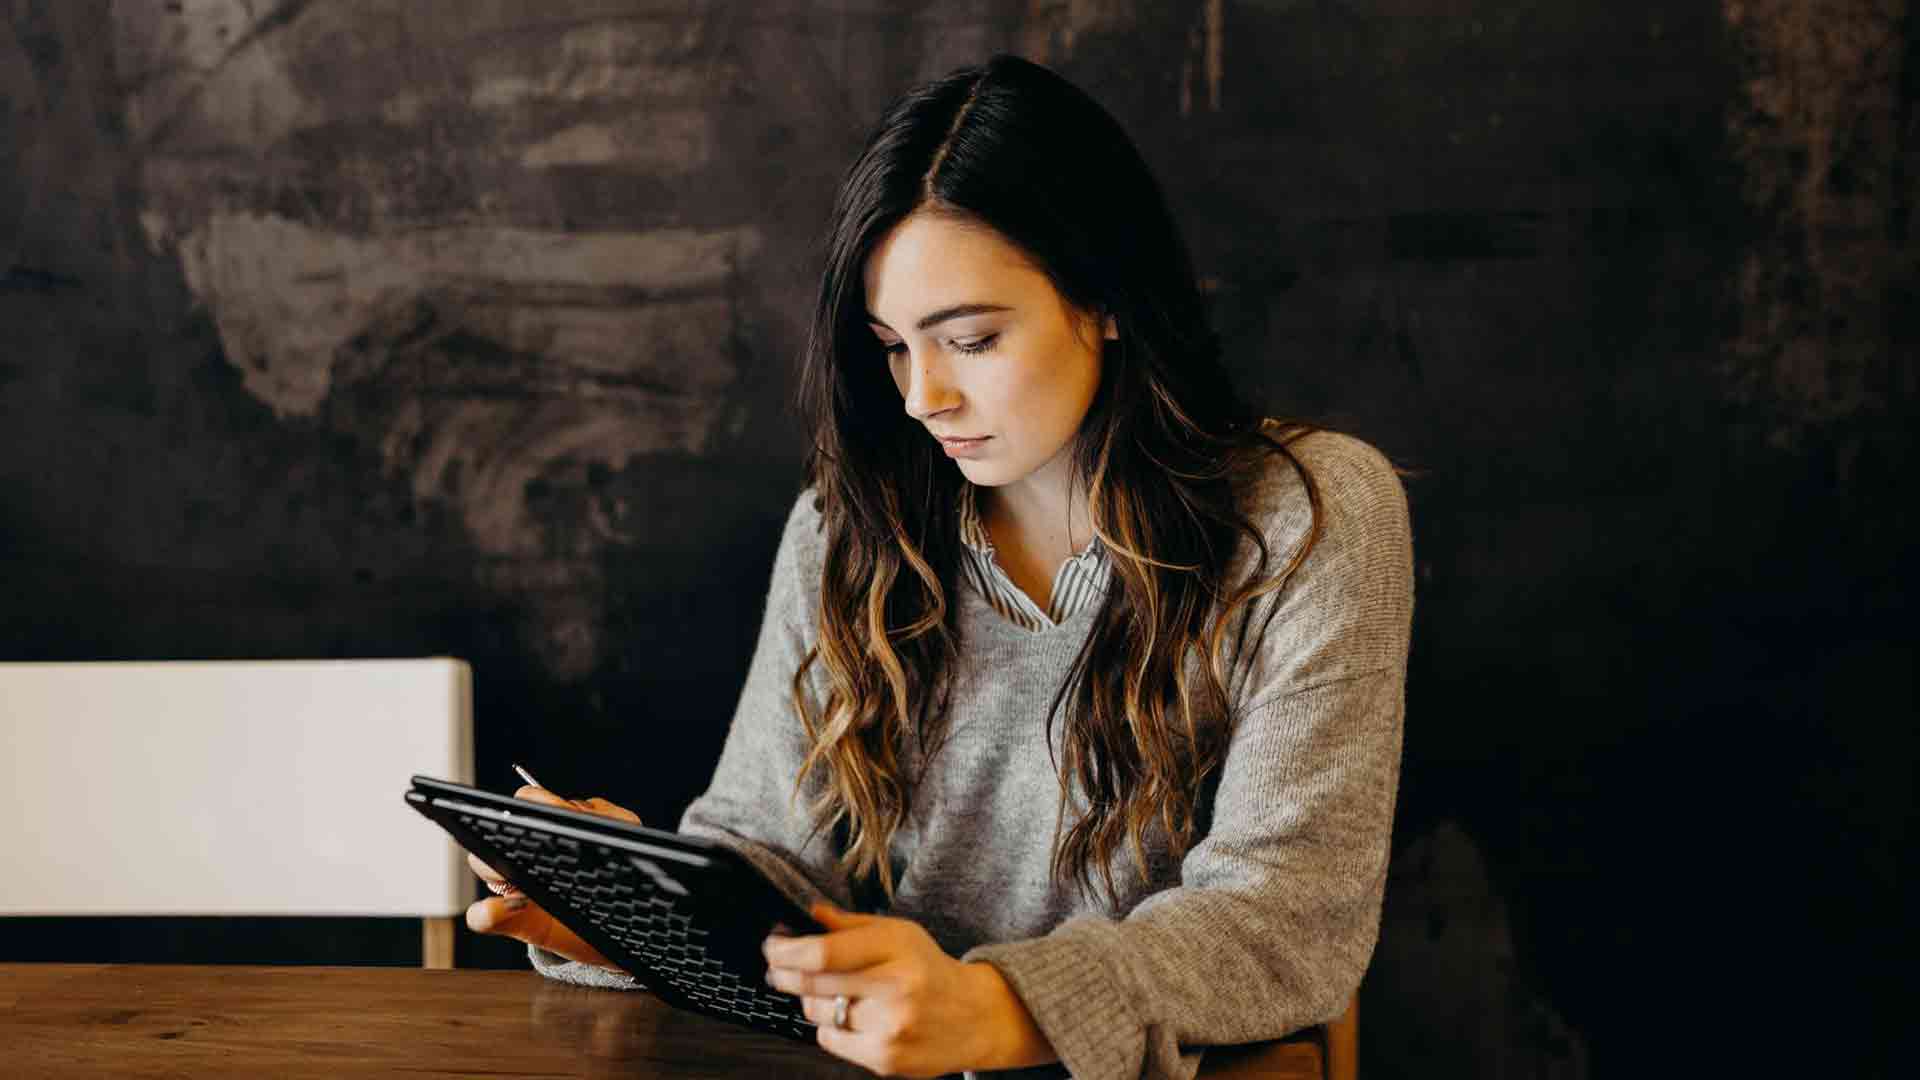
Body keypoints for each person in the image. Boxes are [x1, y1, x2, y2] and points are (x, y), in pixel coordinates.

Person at [463, 53, 1412, 1080]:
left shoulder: (1308, 518)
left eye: (970, 339)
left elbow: (1287, 918)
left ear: (1105, 299)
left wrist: (999, 1008)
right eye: (892, 348)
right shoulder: (846, 528)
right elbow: (776, 861)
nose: (923, 399)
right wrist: (637, 915)